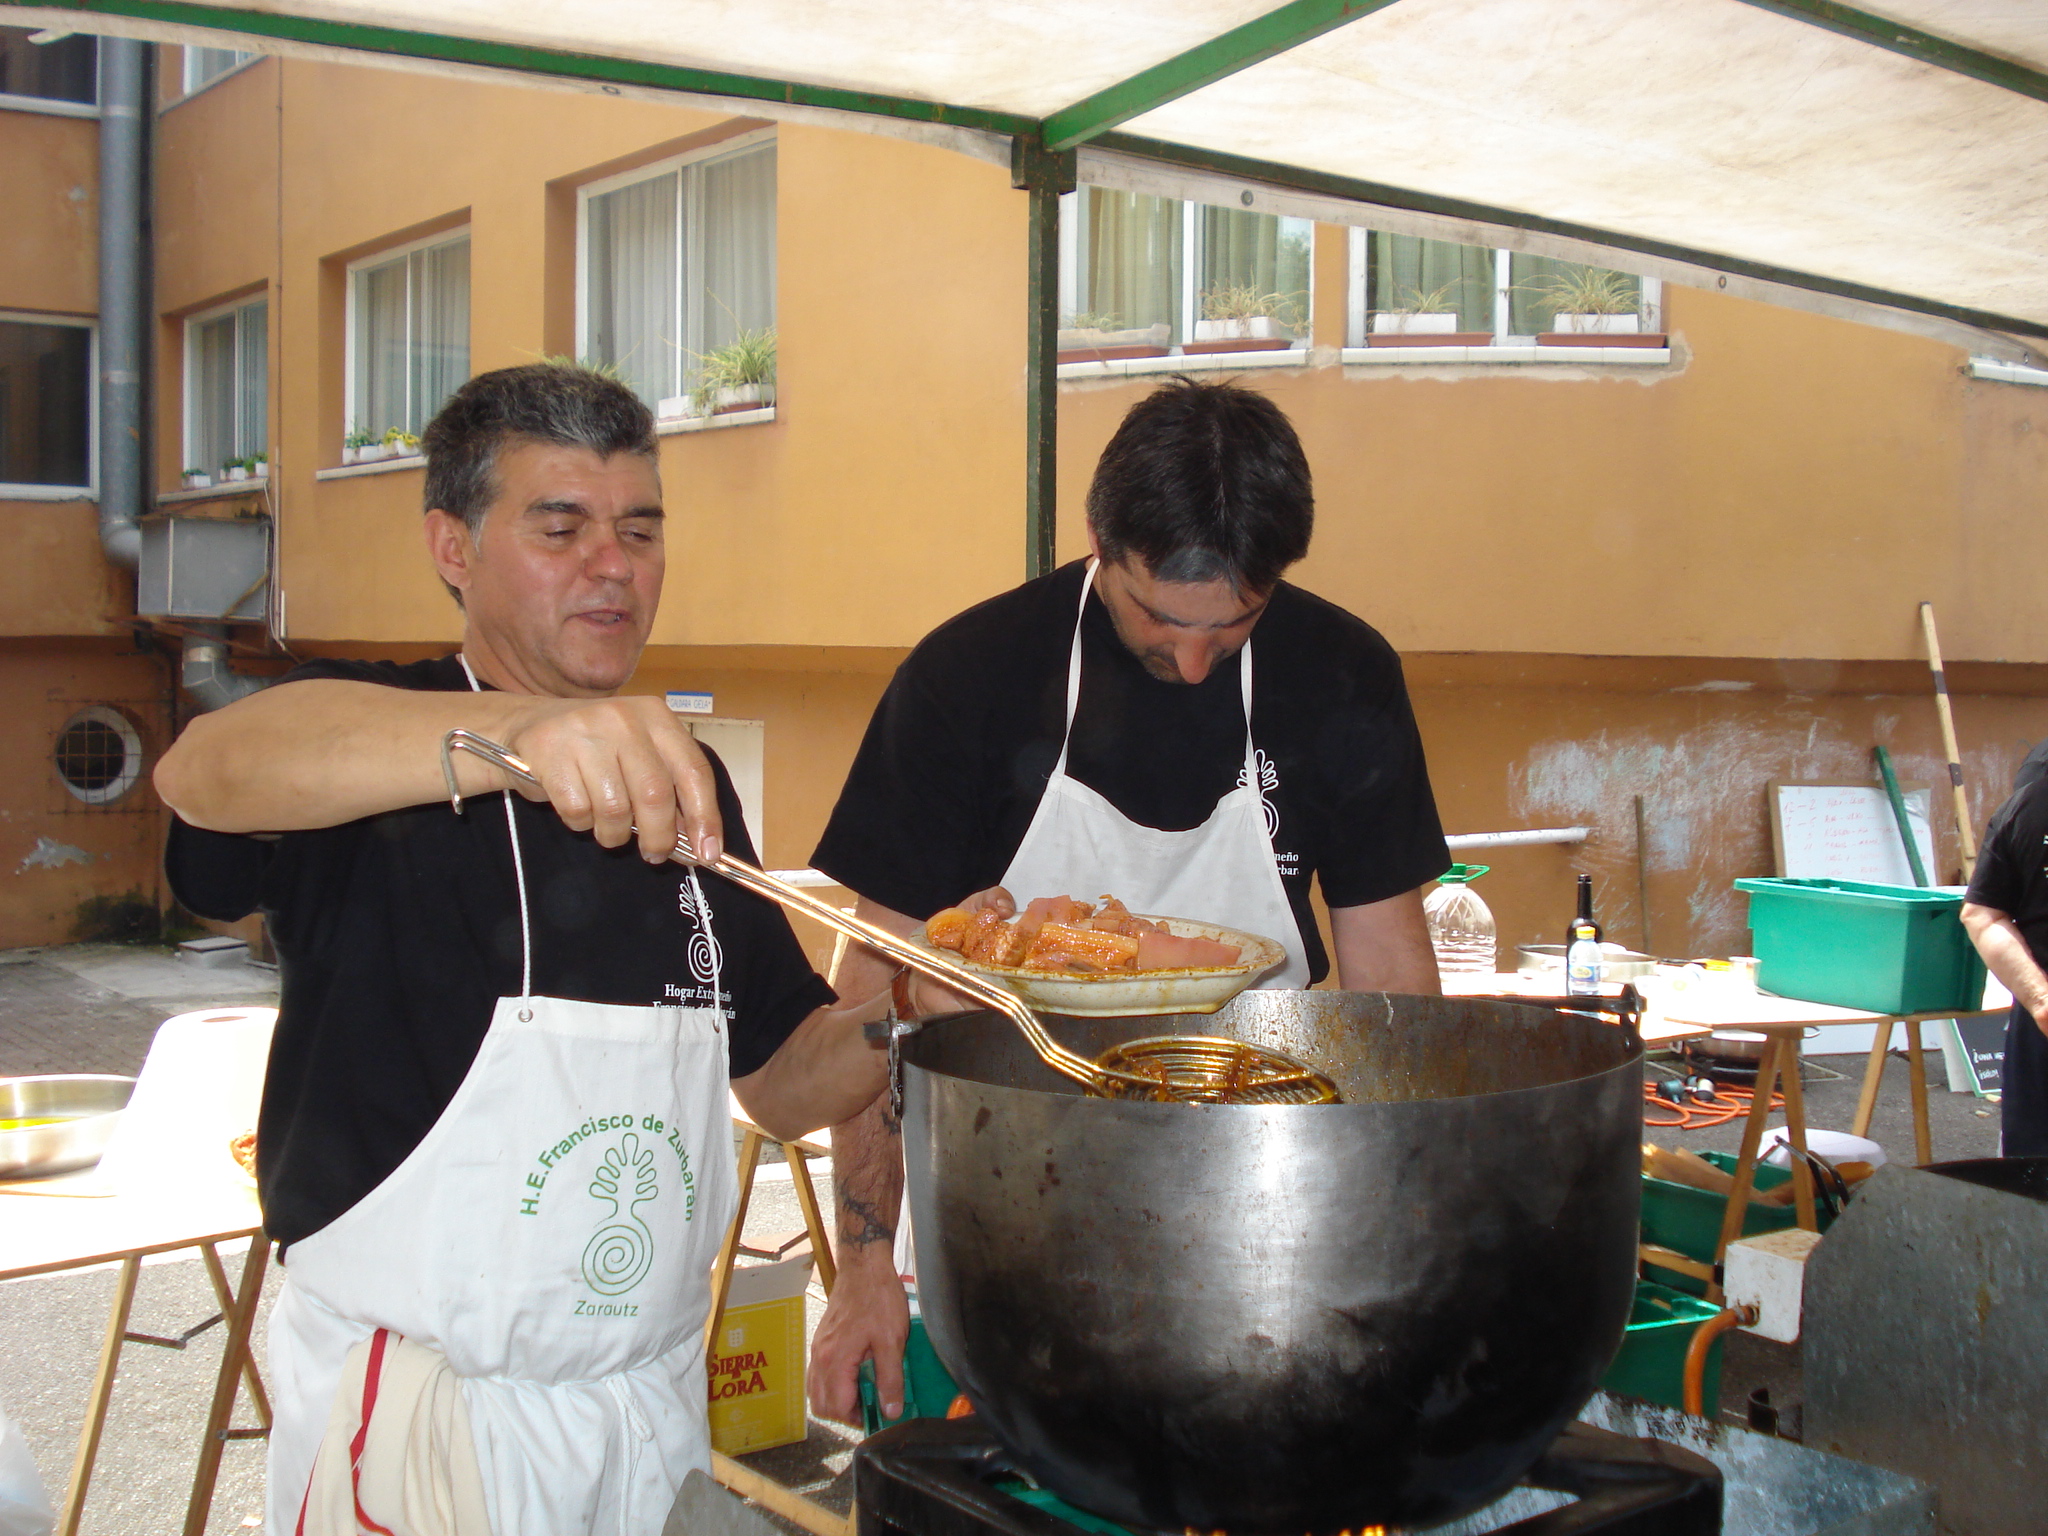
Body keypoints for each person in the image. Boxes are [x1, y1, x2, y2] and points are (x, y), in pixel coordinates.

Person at [155, 364, 906, 1536]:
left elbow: (779, 1076)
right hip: (425, 1424)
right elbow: (202, 771)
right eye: (560, 529)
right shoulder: (367, 734)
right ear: (451, 547)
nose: (613, 566)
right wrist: (524, 732)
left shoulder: (685, 782)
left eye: (639, 530)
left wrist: (913, 1008)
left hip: (646, 1409)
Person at [802, 376, 1449, 1423]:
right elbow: (876, 991)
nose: (1193, 664)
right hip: (997, 1208)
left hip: (1258, 1209)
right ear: (1099, 541)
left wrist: (1403, 1222)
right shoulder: (969, 678)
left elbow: (1391, 985)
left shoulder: (1342, 675)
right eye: (1160, 617)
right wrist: (863, 1265)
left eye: (1233, 627)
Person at [1962, 775, 2048, 1155]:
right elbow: (1982, 915)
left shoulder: (2028, 802)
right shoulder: (2030, 805)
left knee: (2030, 1180)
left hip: (2040, 1022)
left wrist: (2040, 1000)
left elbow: (1983, 916)